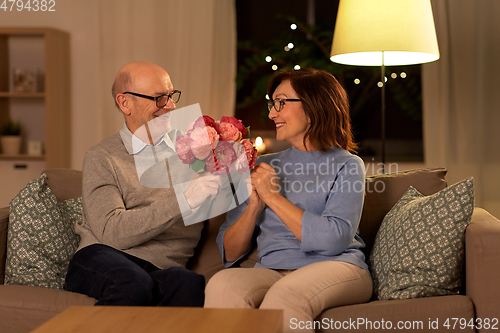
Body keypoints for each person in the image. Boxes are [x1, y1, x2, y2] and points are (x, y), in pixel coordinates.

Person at [204, 68, 372, 332]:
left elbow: (334, 238)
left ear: (315, 105)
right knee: (221, 284)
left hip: (338, 267)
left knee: (284, 296)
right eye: (272, 104)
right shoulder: (262, 166)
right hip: (273, 270)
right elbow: (230, 252)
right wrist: (254, 207)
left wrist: (272, 197)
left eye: (281, 102)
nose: (272, 113)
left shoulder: (348, 165)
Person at [64, 61, 222, 306]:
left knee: (190, 284)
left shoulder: (195, 151)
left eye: (171, 96)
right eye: (159, 98)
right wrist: (184, 200)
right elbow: (111, 232)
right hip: (103, 256)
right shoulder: (103, 156)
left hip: (163, 266)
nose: (170, 106)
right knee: (133, 284)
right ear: (125, 103)